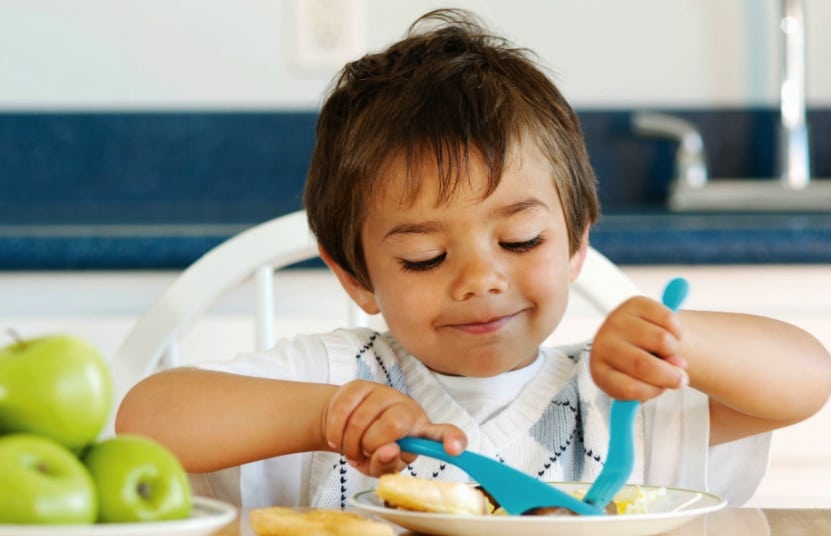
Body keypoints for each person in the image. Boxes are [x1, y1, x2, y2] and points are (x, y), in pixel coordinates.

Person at [116, 8, 831, 511]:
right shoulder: (338, 379)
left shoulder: (616, 401)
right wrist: (324, 416)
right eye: (424, 257)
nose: (480, 278)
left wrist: (680, 343)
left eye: (520, 241)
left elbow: (806, 379)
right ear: (355, 277)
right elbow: (145, 417)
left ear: (578, 241)